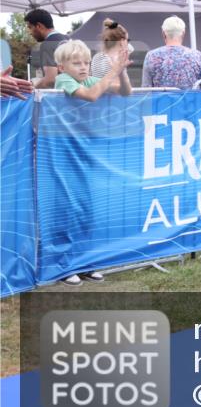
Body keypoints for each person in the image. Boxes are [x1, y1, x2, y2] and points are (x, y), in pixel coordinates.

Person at [52, 39, 132, 286]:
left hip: (84, 154)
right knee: (67, 211)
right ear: (62, 67)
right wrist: (112, 71)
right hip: (61, 155)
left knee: (87, 209)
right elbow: (92, 95)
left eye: (86, 62)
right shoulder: (63, 81)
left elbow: (124, 91)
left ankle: (86, 262)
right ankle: (64, 266)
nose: (84, 68)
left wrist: (122, 69)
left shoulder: (86, 78)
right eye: (77, 63)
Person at [142, 16, 201, 89]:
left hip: (162, 100)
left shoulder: (151, 56)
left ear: (163, 33)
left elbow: (146, 89)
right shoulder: (197, 55)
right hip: (191, 100)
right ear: (183, 33)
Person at [24, 7, 69, 88]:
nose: (30, 32)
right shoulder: (68, 39)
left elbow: (50, 80)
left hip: (61, 97)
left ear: (38, 26)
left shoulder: (47, 44)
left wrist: (33, 89)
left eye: (30, 27)